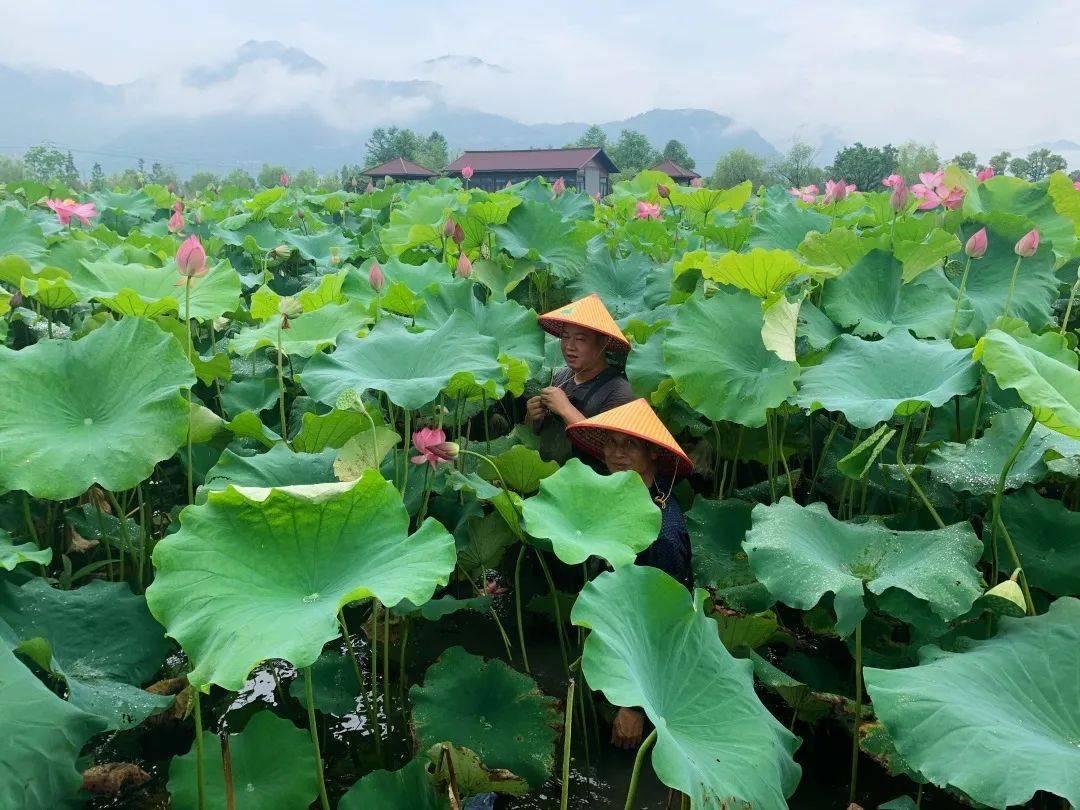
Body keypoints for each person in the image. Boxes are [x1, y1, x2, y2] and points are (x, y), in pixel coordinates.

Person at [565, 398, 694, 750]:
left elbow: (665, 626)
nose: (616, 454)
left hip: (645, 678)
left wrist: (633, 707)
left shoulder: (663, 534)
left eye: (629, 445)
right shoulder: (625, 499)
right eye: (610, 443)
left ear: (652, 452)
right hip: (611, 648)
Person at [527, 294, 633, 436]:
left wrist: (565, 408)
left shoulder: (619, 392)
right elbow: (532, 435)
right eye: (565, 337)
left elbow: (610, 452)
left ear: (603, 343)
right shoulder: (560, 377)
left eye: (580, 339)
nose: (570, 346)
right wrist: (532, 416)